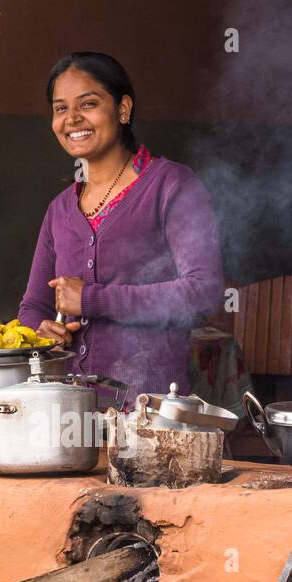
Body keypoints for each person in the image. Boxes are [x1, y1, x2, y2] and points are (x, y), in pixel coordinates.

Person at [18, 52, 224, 398]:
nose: (72, 119)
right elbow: (32, 307)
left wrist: (92, 300)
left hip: (148, 408)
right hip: (69, 409)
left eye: (88, 103)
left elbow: (203, 294)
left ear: (123, 108)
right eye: (60, 108)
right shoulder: (59, 209)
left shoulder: (172, 186)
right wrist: (40, 331)